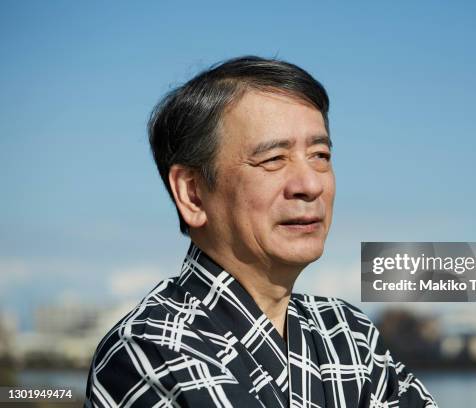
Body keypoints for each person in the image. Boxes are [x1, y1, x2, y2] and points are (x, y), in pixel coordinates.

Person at [85, 56, 437, 408]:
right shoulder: (148, 350)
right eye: (273, 159)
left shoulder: (347, 332)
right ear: (192, 193)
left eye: (320, 155)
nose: (310, 184)